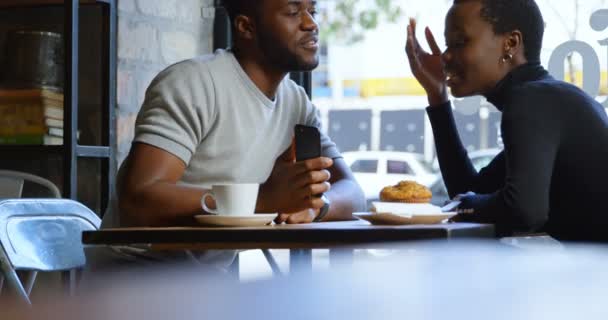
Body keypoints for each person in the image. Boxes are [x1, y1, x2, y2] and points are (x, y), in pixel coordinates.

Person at [90, 0, 365, 272]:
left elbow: (353, 194)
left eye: (312, 11)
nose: (311, 23)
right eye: (293, 12)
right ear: (246, 27)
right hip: (131, 276)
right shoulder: (193, 82)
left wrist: (315, 207)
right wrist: (261, 201)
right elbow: (139, 199)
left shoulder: (296, 103)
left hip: (206, 285)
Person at [405, 0, 608, 241]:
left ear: (510, 43)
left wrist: (462, 205)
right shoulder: (550, 99)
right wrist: (437, 95)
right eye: (448, 44)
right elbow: (472, 190)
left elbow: (523, 211)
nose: (446, 56)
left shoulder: (532, 100)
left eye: (460, 42)